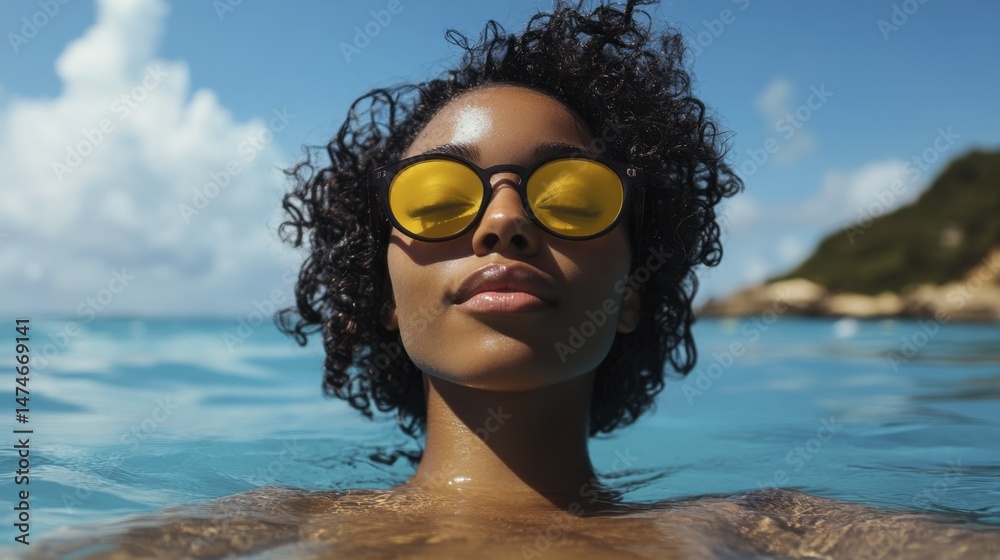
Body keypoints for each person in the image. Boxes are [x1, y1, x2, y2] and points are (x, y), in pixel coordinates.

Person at [28, 1, 1000, 558]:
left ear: (632, 290)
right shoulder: (246, 528)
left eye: (571, 195)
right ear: (375, 288)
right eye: (439, 197)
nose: (503, 220)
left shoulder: (776, 524)